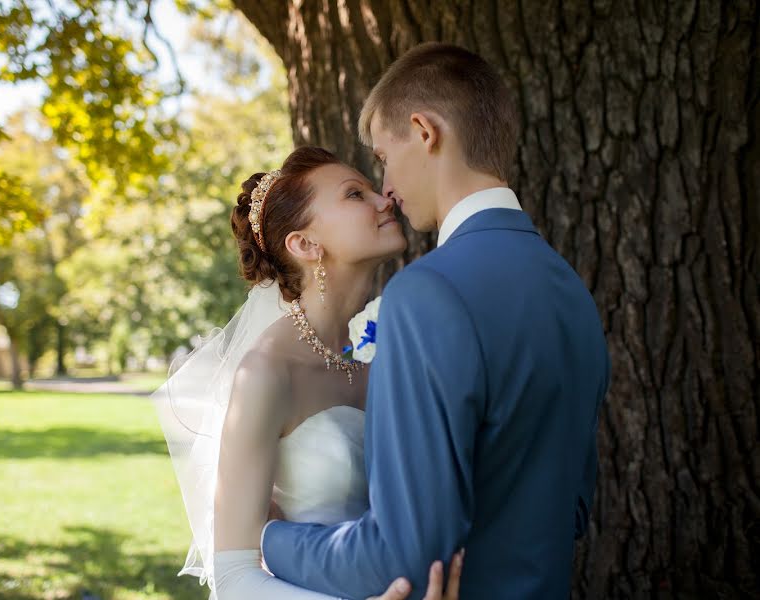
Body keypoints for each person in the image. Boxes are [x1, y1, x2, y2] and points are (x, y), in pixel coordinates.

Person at [259, 43, 611, 599]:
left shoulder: (429, 292)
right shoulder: (572, 293)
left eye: (382, 157)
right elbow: (571, 511)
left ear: (425, 132)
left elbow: (402, 559)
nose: (387, 187)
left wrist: (273, 538)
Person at [157, 146, 463, 600]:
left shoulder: (389, 348)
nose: (384, 200)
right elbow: (234, 577)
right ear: (305, 244)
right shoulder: (266, 372)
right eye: (355, 195)